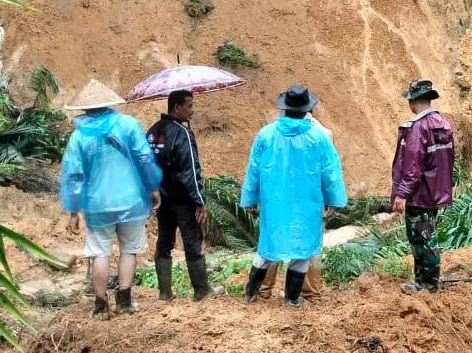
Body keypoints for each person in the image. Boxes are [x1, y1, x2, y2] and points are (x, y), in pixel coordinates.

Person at [60, 79, 163, 318]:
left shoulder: (78, 137)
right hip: (131, 200)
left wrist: (73, 210)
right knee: (129, 250)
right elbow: (144, 158)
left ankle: (100, 305)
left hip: (97, 204)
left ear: (84, 108)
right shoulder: (128, 125)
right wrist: (153, 187)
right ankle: (125, 301)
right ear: (109, 103)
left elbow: (74, 175)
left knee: (100, 252)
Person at [240, 84, 347, 307]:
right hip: (306, 203)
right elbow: (330, 171)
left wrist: (250, 198)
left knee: (268, 244)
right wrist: (333, 200)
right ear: (307, 109)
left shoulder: (266, 134)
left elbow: (254, 168)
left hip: (273, 201)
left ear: (284, 108)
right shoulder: (318, 138)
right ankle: (292, 299)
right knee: (303, 248)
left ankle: (250, 293)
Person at [147, 89, 219, 301]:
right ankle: (201, 289)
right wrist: (199, 201)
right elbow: (190, 171)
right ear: (176, 107)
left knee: (164, 241)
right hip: (183, 200)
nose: (192, 111)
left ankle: (165, 292)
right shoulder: (182, 134)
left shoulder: (153, 132)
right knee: (192, 241)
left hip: (161, 198)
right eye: (189, 106)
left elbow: (145, 164)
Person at [256, 113, 336, 302]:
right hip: (309, 200)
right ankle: (308, 292)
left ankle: (262, 290)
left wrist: (258, 196)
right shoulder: (323, 133)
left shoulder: (271, 132)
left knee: (274, 241)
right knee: (310, 246)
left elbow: (261, 168)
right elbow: (329, 170)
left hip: (278, 198)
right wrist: (330, 198)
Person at [391, 79, 455, 294]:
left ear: (413, 100)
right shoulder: (441, 123)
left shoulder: (419, 128)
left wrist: (402, 194)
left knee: (421, 240)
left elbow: (413, 167)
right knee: (429, 235)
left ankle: (426, 285)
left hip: (419, 195)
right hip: (435, 193)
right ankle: (430, 281)